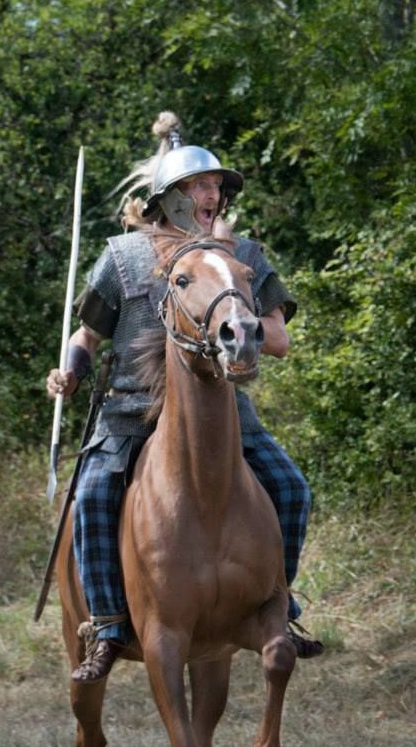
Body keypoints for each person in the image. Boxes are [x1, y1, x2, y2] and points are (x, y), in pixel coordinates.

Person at [46, 111, 322, 683]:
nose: (213, 193)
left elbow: (279, 339)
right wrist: (70, 370)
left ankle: (279, 605)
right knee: (93, 495)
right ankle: (104, 623)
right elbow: (88, 334)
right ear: (171, 197)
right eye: (201, 184)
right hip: (128, 411)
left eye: (217, 185)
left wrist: (240, 318)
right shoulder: (123, 256)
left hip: (221, 412)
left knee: (293, 489)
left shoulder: (242, 255)